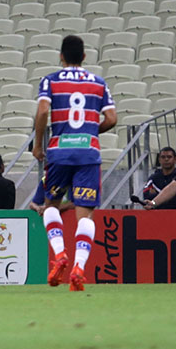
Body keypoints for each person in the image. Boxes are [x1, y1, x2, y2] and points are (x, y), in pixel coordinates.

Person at [32, 35, 117, 292]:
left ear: (61, 56)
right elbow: (112, 118)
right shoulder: (99, 83)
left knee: (50, 207)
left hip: (59, 152)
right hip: (88, 154)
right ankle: (79, 268)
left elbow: (44, 111)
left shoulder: (50, 80)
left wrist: (38, 144)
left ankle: (59, 255)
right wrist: (91, 131)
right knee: (85, 214)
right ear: (84, 57)